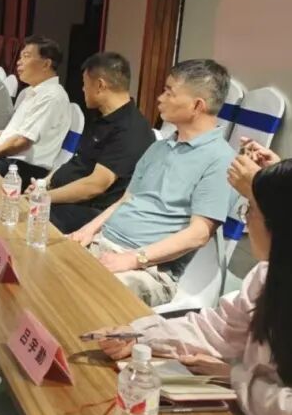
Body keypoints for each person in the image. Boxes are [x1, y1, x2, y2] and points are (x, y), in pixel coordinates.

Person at [92, 157, 292, 415]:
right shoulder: (268, 276)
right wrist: (139, 335)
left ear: (284, 228)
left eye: (251, 209)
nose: (246, 219)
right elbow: (218, 329)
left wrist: (236, 378)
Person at [70, 59, 236, 307]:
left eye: (169, 92)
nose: (160, 98)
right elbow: (127, 199)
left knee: (82, 295)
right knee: (43, 262)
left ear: (197, 105)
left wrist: (133, 259)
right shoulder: (159, 148)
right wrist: (88, 231)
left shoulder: (221, 159)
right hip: (103, 244)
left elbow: (199, 234)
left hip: (149, 269)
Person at [46, 52, 154, 233]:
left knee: (29, 217)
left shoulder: (131, 129)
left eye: (85, 83)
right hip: (63, 198)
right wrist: (45, 183)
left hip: (91, 212)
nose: (83, 89)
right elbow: (78, 161)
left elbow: (95, 186)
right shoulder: (101, 117)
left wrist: (43, 197)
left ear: (100, 85)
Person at [0, 35, 71, 186]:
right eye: (20, 56)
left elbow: (21, 142)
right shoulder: (33, 92)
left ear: (46, 64)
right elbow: (14, 134)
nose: (19, 62)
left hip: (25, 168)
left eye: (26, 56)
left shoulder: (51, 96)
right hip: (10, 159)